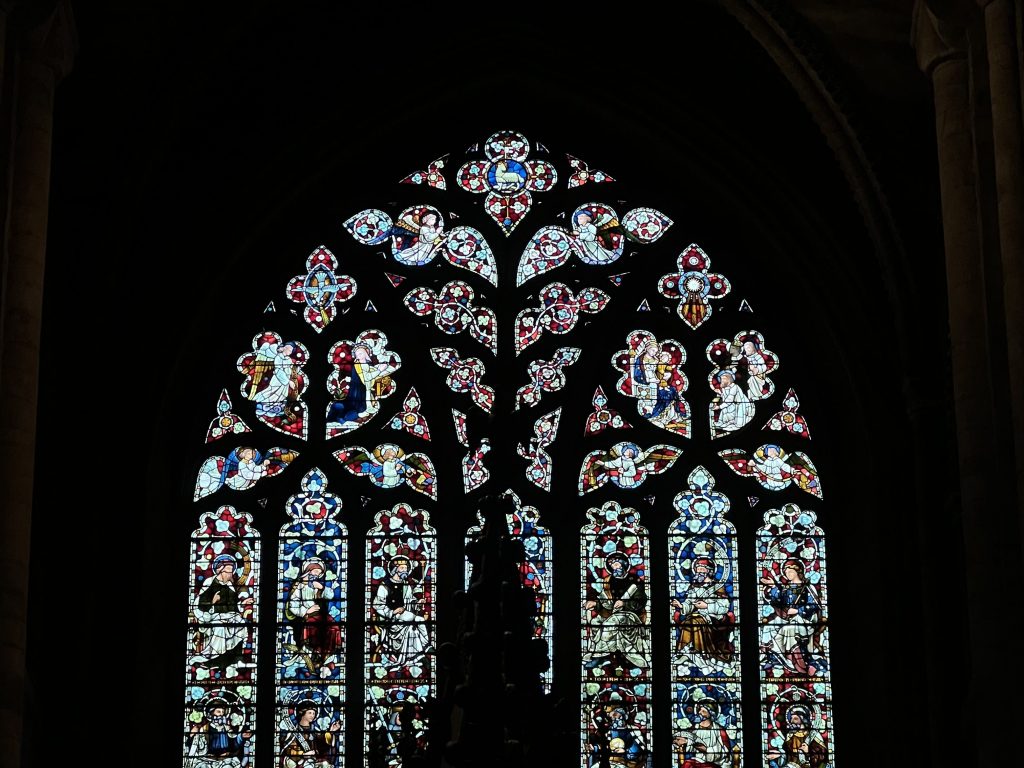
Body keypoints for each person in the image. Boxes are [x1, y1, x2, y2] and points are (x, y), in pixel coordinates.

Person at [583, 552, 650, 670]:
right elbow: (607, 603)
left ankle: (600, 656)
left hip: (631, 614)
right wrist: (596, 604)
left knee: (611, 623)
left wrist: (624, 603)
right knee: (595, 622)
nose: (615, 568)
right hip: (612, 613)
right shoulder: (608, 581)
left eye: (617, 565)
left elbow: (641, 601)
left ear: (624, 565)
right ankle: (600, 654)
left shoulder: (634, 580)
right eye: (613, 566)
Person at [190, 553, 254, 676]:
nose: (231, 575)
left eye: (231, 572)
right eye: (229, 572)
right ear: (220, 571)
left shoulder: (230, 585)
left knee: (240, 624)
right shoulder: (210, 582)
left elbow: (234, 605)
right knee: (219, 628)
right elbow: (200, 605)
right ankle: (213, 660)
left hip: (230, 616)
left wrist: (243, 603)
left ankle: (237, 659)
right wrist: (212, 601)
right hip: (213, 617)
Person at [760, 559, 822, 676]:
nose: (788, 575)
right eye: (786, 572)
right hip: (787, 618)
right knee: (768, 627)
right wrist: (774, 586)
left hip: (804, 620)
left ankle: (797, 662)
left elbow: (814, 606)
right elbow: (779, 601)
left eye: (790, 572)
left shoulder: (808, 588)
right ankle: (772, 657)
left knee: (788, 629)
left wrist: (798, 611)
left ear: (798, 572)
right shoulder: (787, 589)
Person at [671, 556, 735, 667]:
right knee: (690, 620)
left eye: (702, 568)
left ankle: (699, 652)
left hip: (715, 619)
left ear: (709, 571)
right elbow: (690, 604)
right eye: (697, 568)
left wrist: (706, 606)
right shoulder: (694, 587)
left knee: (695, 621)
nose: (698, 571)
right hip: (698, 616)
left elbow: (724, 606)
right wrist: (681, 606)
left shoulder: (717, 587)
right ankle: (685, 651)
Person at [371, 555, 431, 670]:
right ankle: (420, 657)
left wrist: (417, 602)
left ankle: (426, 647)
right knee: (410, 627)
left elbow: (409, 601)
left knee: (420, 620)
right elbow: (377, 605)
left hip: (404, 615)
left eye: (406, 568)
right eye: (403, 568)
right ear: (395, 568)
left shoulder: (406, 585)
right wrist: (392, 612)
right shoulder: (384, 586)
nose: (405, 571)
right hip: (391, 619)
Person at [286, 557, 342, 671]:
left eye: (319, 573)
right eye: (316, 572)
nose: (317, 575)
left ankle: (325, 655)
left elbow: (330, 596)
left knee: (333, 626)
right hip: (306, 616)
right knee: (317, 627)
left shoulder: (316, 585)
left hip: (320, 615)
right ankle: (316, 654)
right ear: (309, 570)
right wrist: (307, 611)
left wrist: (321, 587)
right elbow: (292, 605)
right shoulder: (298, 586)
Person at [327, 343, 394, 429]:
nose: (359, 355)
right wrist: (379, 370)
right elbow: (367, 378)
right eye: (357, 354)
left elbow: (372, 375)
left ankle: (342, 418)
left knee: (358, 411)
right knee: (357, 409)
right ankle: (340, 418)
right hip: (358, 392)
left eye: (361, 353)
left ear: (366, 353)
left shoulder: (367, 365)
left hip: (365, 392)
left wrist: (380, 369)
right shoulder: (357, 366)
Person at [673, 699, 740, 768]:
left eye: (703, 711)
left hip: (715, 763)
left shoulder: (719, 730)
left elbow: (725, 752)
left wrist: (706, 750)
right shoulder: (694, 728)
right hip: (697, 761)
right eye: (699, 710)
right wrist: (685, 742)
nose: (700, 712)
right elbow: (690, 746)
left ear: (711, 713)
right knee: (687, 765)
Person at [244, 338, 302, 418]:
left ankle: (276, 408)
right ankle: (259, 401)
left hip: (284, 382)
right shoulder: (278, 358)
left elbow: (290, 370)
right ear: (284, 348)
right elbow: (279, 371)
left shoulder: (288, 360)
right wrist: (288, 382)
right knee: (270, 392)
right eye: (288, 348)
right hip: (277, 380)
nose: (289, 351)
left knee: (282, 395)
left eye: (291, 350)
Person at [185, 698, 251, 768]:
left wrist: (241, 736)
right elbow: (196, 747)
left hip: (226, 760)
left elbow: (233, 743)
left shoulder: (227, 728)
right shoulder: (204, 729)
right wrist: (192, 736)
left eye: (223, 712)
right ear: (211, 713)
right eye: (218, 712)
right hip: (207, 760)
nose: (221, 714)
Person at [279, 701, 341, 768]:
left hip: (313, 762)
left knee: (325, 764)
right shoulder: (294, 731)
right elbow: (287, 749)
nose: (312, 715)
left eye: (314, 713)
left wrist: (331, 731)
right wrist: (303, 754)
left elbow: (323, 745)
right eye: (310, 713)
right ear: (302, 713)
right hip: (297, 762)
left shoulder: (315, 731)